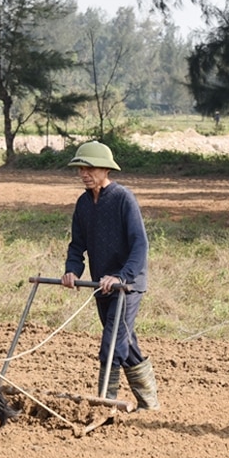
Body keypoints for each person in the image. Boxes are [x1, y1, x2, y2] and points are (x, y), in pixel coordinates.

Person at [60, 141, 159, 411]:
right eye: (81, 168)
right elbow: (77, 244)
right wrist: (72, 270)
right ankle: (149, 401)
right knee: (124, 340)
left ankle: (107, 402)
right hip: (101, 285)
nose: (84, 173)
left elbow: (140, 244)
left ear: (106, 170)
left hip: (127, 285)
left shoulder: (123, 198)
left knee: (112, 342)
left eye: (90, 168)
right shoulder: (83, 203)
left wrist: (122, 277)